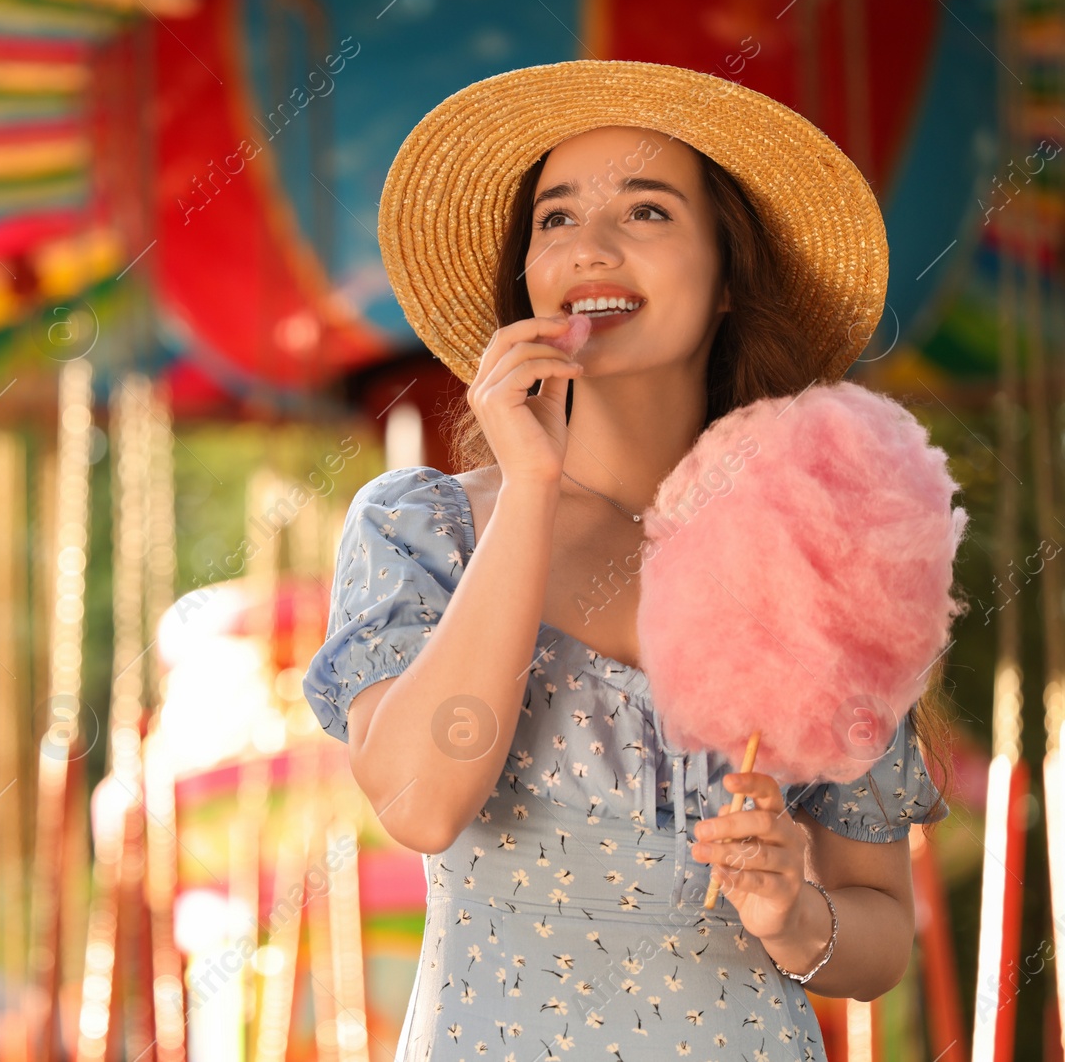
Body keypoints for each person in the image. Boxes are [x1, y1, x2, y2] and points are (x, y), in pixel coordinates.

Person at [302, 60, 952, 1061]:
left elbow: (877, 933)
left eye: (645, 212)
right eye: (555, 219)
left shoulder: (821, 553)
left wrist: (792, 914)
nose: (588, 248)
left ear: (730, 275)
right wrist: (527, 488)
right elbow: (421, 804)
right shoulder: (418, 528)